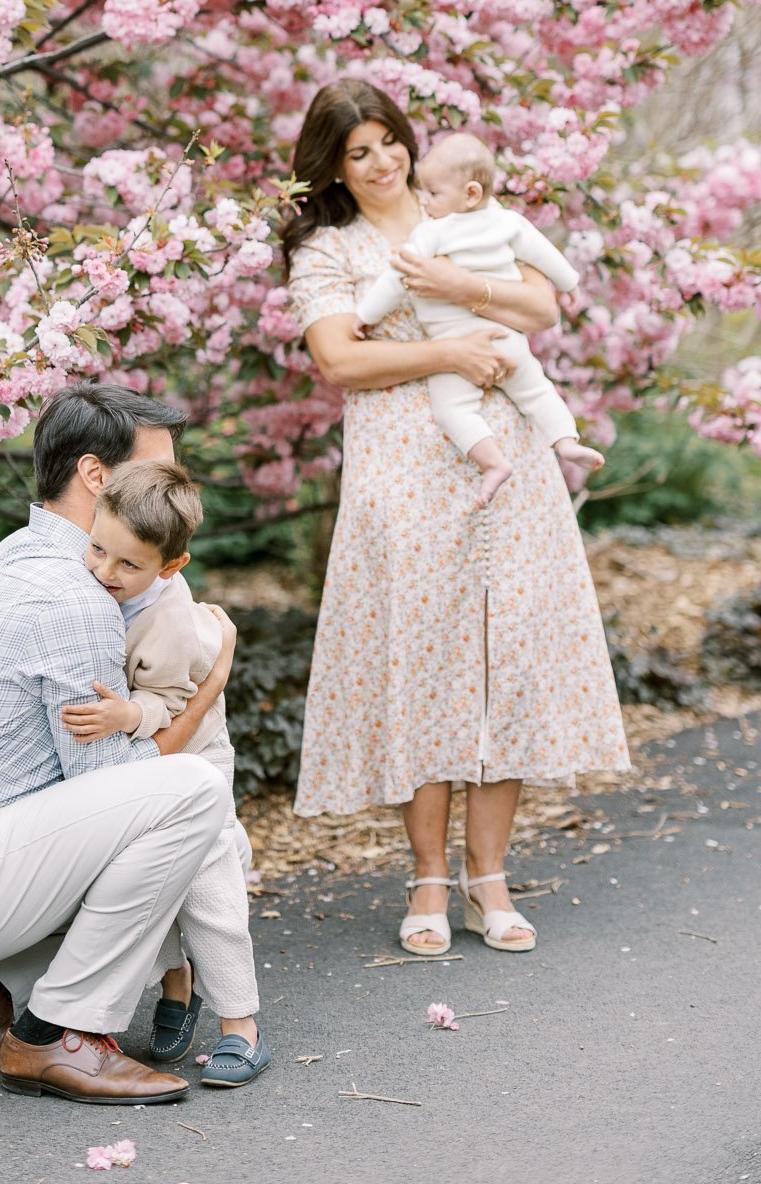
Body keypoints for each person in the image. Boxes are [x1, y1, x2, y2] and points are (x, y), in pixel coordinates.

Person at [283, 80, 629, 958]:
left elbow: (541, 306)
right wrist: (448, 348)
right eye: (358, 151)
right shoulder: (329, 247)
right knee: (425, 657)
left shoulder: (464, 210)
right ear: (334, 165)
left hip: (502, 457)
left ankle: (490, 877)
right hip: (401, 466)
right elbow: (337, 359)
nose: (382, 161)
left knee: (502, 653)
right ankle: (428, 879)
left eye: (388, 140)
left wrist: (458, 287)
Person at [0, 383, 237, 1106]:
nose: (170, 488)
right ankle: (60, 1034)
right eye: (157, 471)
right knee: (194, 790)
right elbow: (109, 783)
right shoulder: (76, 598)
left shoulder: (21, 555)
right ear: (97, 476)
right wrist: (209, 683)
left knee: (165, 804)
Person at [61, 459, 271, 1089]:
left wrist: (130, 712)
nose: (106, 572)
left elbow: (176, 703)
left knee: (208, 890)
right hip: (143, 761)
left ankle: (243, 1027)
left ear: (171, 567)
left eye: (130, 565)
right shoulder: (90, 577)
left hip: (195, 759)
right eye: (98, 550)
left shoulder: (173, 619)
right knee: (146, 880)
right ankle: (176, 988)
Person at [355, 131, 605, 506]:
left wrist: (365, 315)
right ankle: (567, 441)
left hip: (456, 343)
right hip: (507, 339)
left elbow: (395, 280)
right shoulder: (510, 222)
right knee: (537, 390)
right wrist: (569, 283)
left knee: (453, 409)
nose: (424, 200)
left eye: (434, 193)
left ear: (470, 193)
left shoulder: (429, 233)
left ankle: (492, 463)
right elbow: (546, 256)